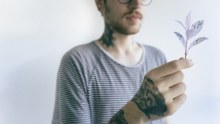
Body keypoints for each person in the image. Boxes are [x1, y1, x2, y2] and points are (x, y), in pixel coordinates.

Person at [52, 0, 193, 124]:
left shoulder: (157, 57)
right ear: (100, 3)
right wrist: (138, 112)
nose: (137, 3)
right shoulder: (77, 62)